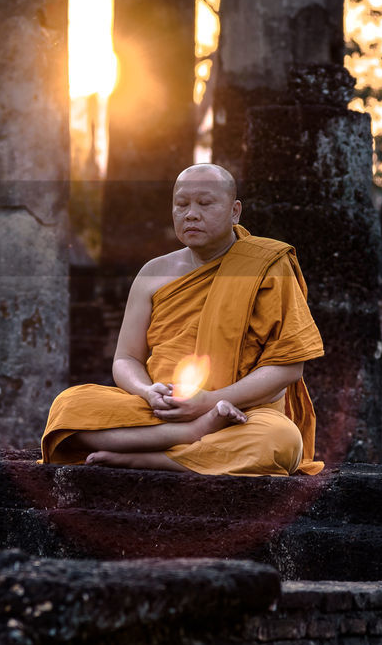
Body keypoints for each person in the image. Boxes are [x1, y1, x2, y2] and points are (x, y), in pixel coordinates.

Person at [40, 163, 324, 475]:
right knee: (68, 407)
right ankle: (188, 437)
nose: (191, 214)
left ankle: (149, 457)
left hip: (241, 413)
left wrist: (209, 400)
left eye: (205, 204)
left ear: (235, 211)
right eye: (181, 204)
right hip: (161, 409)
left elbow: (289, 366)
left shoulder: (267, 266)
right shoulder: (153, 273)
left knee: (281, 440)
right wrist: (149, 393)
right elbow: (126, 358)